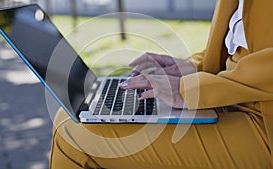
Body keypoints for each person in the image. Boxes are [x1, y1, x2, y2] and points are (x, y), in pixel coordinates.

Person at [49, 0, 273, 168]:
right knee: (70, 116)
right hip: (234, 100)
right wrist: (191, 68)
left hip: (263, 121)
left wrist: (190, 89)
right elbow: (239, 49)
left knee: (71, 134)